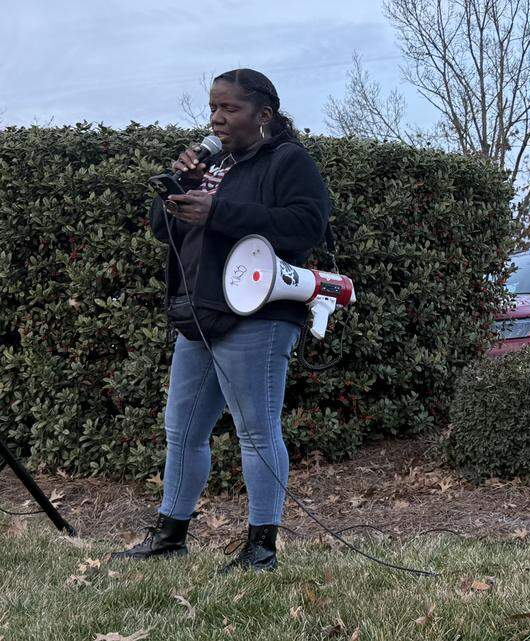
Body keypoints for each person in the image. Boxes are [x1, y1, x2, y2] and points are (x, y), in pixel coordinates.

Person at [111, 69, 330, 573]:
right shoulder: (214, 163)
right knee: (182, 430)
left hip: (258, 315)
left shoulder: (288, 161)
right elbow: (162, 230)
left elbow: (307, 225)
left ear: (263, 113)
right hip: (199, 314)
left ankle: (261, 548)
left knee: (255, 432)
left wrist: (218, 211)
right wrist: (179, 185)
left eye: (229, 107)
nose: (216, 117)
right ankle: (171, 535)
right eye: (213, 107)